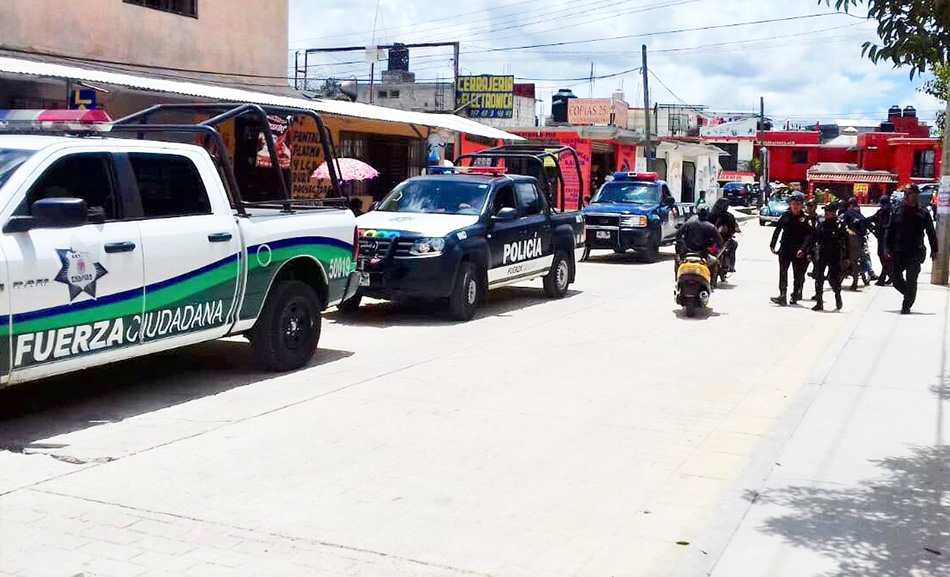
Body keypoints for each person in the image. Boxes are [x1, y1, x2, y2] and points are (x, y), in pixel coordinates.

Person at [884, 185, 939, 314]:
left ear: (916, 195)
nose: (909, 196)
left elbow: (931, 232)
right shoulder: (897, 210)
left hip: (915, 251)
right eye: (907, 193)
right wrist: (886, 247)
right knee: (895, 279)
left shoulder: (923, 212)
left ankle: (906, 305)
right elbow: (889, 230)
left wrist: (934, 249)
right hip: (898, 251)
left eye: (912, 193)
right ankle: (908, 293)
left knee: (911, 278)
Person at [770, 192, 812, 306]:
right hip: (785, 249)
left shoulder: (805, 218)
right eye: (794, 203)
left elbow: (809, 236)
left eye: (798, 204)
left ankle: (795, 295)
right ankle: (782, 295)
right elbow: (778, 229)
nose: (796, 206)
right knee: (783, 272)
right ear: (790, 204)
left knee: (797, 274)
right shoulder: (785, 215)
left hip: (798, 251)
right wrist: (772, 245)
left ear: (802, 205)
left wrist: (803, 249)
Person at [809, 203, 848, 311]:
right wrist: (809, 252)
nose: (826, 213)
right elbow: (814, 238)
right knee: (819, 278)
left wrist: (847, 257)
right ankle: (819, 303)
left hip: (835, 255)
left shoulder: (840, 225)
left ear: (835, 212)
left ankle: (837, 295)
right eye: (825, 211)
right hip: (822, 254)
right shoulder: (821, 224)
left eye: (829, 211)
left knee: (833, 279)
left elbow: (846, 242)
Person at [676, 203, 723, 282]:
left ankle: (677, 279)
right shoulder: (711, 227)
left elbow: (678, 235)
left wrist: (681, 245)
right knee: (715, 262)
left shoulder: (688, 223)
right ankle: (712, 283)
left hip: (687, 252)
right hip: (703, 254)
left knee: (677, 260)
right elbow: (719, 241)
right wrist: (717, 247)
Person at [867, 195, 893, 286]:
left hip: (888, 239)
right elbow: (873, 218)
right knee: (882, 256)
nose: (882, 207)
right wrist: (863, 220)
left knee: (885, 257)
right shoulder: (881, 212)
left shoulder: (891, 213)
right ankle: (890, 276)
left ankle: (884, 278)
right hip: (881, 238)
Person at [710, 197, 740, 272]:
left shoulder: (710, 215)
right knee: (734, 244)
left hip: (710, 240)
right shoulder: (729, 216)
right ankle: (731, 265)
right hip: (723, 241)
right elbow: (733, 228)